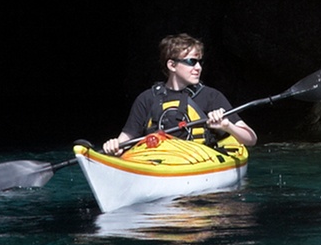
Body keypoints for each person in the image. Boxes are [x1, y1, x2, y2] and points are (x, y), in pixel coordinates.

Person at [102, 33, 257, 154]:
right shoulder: (146, 99)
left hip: (200, 162)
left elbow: (251, 139)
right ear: (172, 65)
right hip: (159, 162)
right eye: (191, 62)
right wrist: (114, 146)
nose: (198, 68)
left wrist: (227, 126)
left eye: (200, 62)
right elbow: (124, 140)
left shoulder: (212, 96)